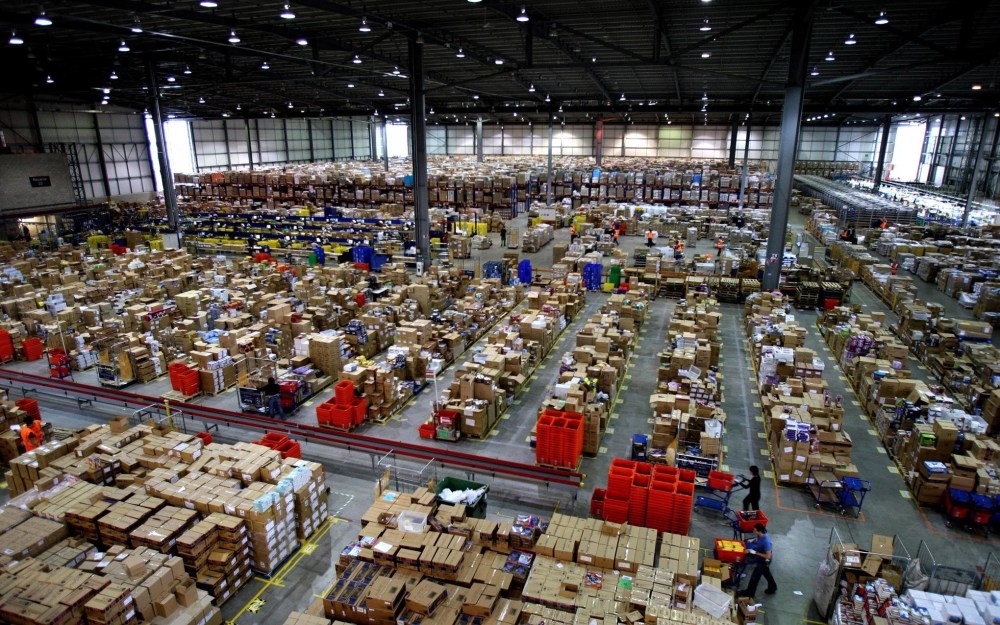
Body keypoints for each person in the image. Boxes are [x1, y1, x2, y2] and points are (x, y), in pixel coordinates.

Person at [742, 523, 777, 598]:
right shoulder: (761, 534)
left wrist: (755, 552)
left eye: (754, 530)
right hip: (761, 559)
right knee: (766, 573)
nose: (753, 531)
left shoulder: (766, 542)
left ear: (759, 531)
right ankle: (773, 587)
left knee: (755, 577)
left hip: (764, 561)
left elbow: (768, 556)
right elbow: (757, 538)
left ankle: (749, 593)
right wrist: (752, 540)